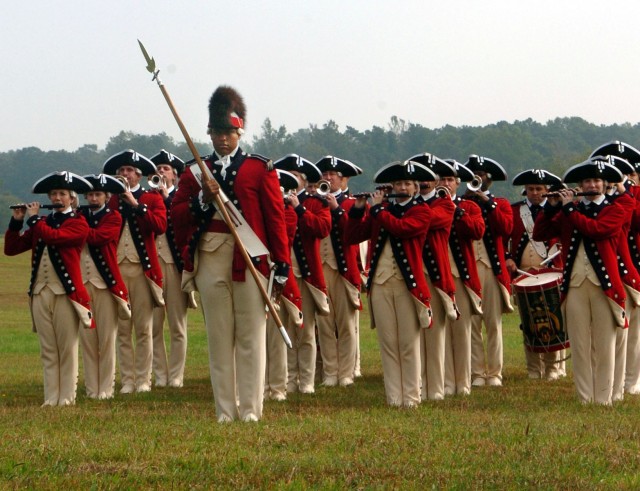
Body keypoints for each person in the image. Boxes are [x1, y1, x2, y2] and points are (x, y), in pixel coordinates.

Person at [171, 85, 290, 422]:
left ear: (240, 131)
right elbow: (177, 215)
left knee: (251, 337)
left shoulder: (259, 168)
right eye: (217, 132)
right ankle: (226, 410)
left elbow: (275, 218)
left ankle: (251, 410)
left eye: (229, 132)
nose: (222, 139)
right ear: (209, 132)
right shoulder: (196, 170)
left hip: (250, 257)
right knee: (219, 338)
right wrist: (201, 200)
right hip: (210, 256)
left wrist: (282, 264)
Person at [534, 158, 631, 404]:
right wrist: (552, 207)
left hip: (604, 286)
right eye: (587, 181)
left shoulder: (615, 208)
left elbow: (596, 230)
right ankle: (584, 396)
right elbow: (540, 233)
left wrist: (568, 209)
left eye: (597, 180)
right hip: (575, 284)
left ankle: (604, 397)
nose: (592, 185)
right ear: (581, 184)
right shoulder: (571, 209)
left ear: (604, 184)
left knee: (604, 343)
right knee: (579, 343)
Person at [346, 160, 434, 407]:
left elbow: (402, 228)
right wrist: (358, 209)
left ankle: (412, 397)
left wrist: (377, 210)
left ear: (415, 188)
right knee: (388, 343)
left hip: (408, 286)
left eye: (407, 183)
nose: (402, 187)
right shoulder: (382, 210)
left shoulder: (421, 211)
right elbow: (352, 236)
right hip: (381, 284)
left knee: (408, 343)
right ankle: (394, 398)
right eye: (398, 183)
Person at [5, 171, 94, 406]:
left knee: (66, 347)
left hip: (66, 294)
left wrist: (33, 220)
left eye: (62, 194)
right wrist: (17, 220)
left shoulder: (78, 223)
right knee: (48, 349)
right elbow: (11, 248)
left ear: (72, 199)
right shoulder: (41, 223)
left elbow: (56, 238)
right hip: (40, 292)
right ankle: (50, 396)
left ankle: (67, 397)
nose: (57, 197)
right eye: (53, 193)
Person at [103, 150, 167, 394]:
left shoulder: (152, 198)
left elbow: (160, 226)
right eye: (121, 171)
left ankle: (143, 380)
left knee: (143, 327)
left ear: (139, 175)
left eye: (128, 170)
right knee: (122, 327)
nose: (123, 174)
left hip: (143, 271)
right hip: (117, 268)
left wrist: (136, 205)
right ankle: (127, 380)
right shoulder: (112, 201)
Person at [273, 154, 331, 394]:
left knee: (305, 330)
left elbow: (322, 228)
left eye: (296, 177)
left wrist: (299, 208)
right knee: (283, 329)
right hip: (282, 274)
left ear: (305, 181)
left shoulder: (316, 203)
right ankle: (288, 379)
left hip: (305, 275)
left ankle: (306, 381)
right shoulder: (274, 201)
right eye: (288, 176)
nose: (292, 180)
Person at [589, 142, 640, 397]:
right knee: (611, 332)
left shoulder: (630, 197)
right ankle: (611, 383)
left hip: (631, 269)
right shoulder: (598, 200)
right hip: (605, 271)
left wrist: (625, 190)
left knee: (632, 333)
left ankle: (631, 380)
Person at [506, 169, 565, 381]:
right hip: (523, 275)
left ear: (547, 190)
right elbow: (504, 237)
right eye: (531, 189)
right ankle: (533, 369)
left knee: (553, 322)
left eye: (539, 189)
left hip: (550, 274)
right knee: (528, 323)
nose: (535, 193)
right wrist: (507, 257)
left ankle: (552, 369)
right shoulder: (515, 211)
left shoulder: (556, 211)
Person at [78, 174, 131, 400]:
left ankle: (106, 389)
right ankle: (92, 389)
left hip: (105, 285)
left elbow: (99, 238)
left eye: (97, 194)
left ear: (106, 197)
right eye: (89, 194)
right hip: (81, 283)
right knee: (88, 340)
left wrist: (75, 229)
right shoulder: (79, 216)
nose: (92, 198)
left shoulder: (114, 216)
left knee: (107, 339)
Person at [463, 155, 514, 387]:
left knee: (493, 324)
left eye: (481, 176)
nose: (477, 179)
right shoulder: (460, 203)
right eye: (473, 175)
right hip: (468, 268)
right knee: (472, 324)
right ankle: (476, 372)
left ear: (488, 180)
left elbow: (506, 228)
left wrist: (487, 203)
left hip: (492, 270)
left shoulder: (500, 203)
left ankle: (494, 373)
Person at [410, 154, 457, 401]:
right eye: (419, 178)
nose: (424, 182)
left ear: (437, 181)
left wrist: (406, 211)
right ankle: (416, 385)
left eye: (429, 178)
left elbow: (425, 222)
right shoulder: (411, 204)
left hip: (435, 277)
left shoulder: (445, 205)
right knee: (415, 334)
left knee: (436, 335)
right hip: (413, 275)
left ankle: (435, 389)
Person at [315, 156, 364, 387]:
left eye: (332, 175)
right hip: (320, 269)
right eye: (324, 174)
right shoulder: (315, 201)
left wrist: (336, 210)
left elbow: (354, 232)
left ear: (343, 180)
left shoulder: (351, 204)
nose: (327, 178)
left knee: (345, 325)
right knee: (324, 324)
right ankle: (330, 372)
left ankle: (346, 373)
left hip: (344, 271)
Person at [149, 150, 194, 389]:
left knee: (177, 325)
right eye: (157, 170)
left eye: (165, 169)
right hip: (153, 267)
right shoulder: (148, 197)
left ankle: (176, 376)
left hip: (175, 267)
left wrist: (166, 198)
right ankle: (160, 374)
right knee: (154, 326)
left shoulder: (180, 198)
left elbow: (183, 222)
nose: (160, 173)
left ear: (175, 176)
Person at [441, 159, 485, 396]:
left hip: (461, 276)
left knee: (463, 331)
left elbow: (477, 231)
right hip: (438, 275)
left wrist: (455, 210)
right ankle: (447, 382)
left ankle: (464, 382)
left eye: (450, 180)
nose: (445, 184)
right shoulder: (428, 206)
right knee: (442, 332)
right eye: (441, 179)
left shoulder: (469, 207)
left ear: (458, 183)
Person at [264, 169, 304, 401]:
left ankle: (277, 387)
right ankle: (260, 384)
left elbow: (280, 236)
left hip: (277, 278)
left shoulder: (288, 214)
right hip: (258, 274)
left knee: (276, 337)